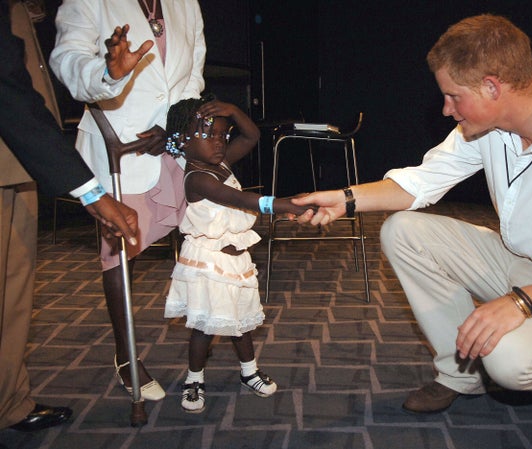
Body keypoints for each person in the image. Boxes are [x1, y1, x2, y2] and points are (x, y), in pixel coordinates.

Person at [293, 14, 532, 434]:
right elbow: (421, 181)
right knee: (402, 230)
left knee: (511, 365)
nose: (446, 109)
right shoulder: (484, 128)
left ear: (493, 86)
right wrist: (345, 199)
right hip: (511, 258)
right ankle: (462, 374)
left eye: (453, 97)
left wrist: (520, 304)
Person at [49, 0, 206, 401]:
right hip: (121, 146)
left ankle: (219, 325)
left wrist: (174, 129)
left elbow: (192, 74)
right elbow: (67, 60)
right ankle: (126, 353)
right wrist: (107, 72)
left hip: (170, 143)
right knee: (118, 251)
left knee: (208, 231)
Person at [1, 0, 138, 432]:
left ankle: (10, 403)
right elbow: (8, 88)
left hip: (20, 163)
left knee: (13, 294)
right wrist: (92, 192)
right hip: (14, 153)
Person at [163, 95, 312, 413]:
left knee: (241, 322)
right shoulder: (199, 177)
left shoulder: (220, 163)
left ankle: (249, 372)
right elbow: (245, 201)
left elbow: (252, 136)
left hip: (236, 259)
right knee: (205, 327)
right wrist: (288, 205)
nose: (218, 142)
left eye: (222, 135)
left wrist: (233, 111)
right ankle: (194, 379)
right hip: (209, 261)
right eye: (207, 135)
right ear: (182, 142)